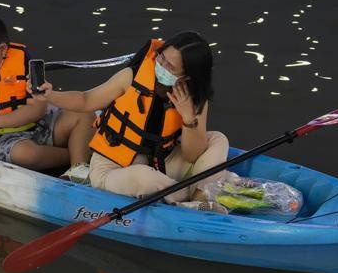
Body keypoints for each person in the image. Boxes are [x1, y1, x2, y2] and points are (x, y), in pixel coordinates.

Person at [33, 31, 229, 205]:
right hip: (112, 169)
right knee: (144, 178)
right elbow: (86, 100)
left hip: (162, 163)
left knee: (218, 139)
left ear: (186, 77)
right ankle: (203, 193)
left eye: (170, 66)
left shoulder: (195, 97)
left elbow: (191, 155)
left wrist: (188, 118)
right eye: (161, 57)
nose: (160, 65)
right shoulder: (132, 77)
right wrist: (50, 96)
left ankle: (197, 197)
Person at [0, 16, 94, 181]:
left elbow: (38, 109)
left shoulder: (24, 60)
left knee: (84, 113)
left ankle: (79, 170)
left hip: (35, 123)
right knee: (26, 155)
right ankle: (74, 155)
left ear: (2, 49)